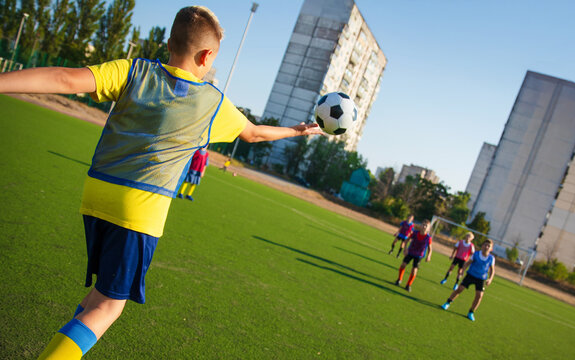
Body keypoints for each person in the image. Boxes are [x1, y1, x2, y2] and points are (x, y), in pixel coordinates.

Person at [0, 6, 322, 359]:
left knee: (99, 296)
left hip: (96, 192)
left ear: (169, 42)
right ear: (207, 56)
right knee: (108, 306)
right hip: (139, 210)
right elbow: (255, 134)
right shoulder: (212, 102)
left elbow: (65, 79)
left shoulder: (133, 69)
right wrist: (297, 130)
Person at [441, 239, 495, 322]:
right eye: (485, 245)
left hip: (481, 279)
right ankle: (447, 302)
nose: (486, 247)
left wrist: (490, 279)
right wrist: (462, 271)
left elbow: (492, 270)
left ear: (491, 249)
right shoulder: (476, 254)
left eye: (489, 246)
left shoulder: (491, 258)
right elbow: (468, 263)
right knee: (459, 289)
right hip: (471, 275)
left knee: (479, 295)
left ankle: (471, 312)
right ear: (482, 246)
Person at [394, 219, 432, 292]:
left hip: (419, 255)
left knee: (414, 271)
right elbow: (406, 240)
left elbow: (430, 249)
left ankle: (408, 285)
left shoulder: (428, 238)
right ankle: (399, 280)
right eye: (423, 224)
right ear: (420, 225)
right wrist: (405, 249)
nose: (424, 226)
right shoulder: (414, 233)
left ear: (428, 228)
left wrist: (429, 256)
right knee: (403, 265)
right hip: (411, 252)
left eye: (426, 226)